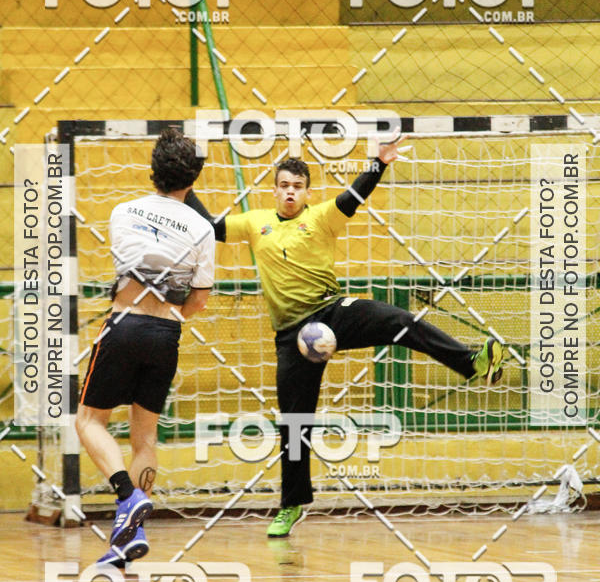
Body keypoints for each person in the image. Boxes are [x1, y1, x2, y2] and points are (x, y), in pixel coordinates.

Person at [185, 134, 505, 537]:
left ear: (306, 193)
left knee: (396, 320)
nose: (290, 192)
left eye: (297, 187)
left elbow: (352, 197)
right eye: (284, 185)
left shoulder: (319, 217)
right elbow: (212, 228)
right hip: (291, 337)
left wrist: (379, 162)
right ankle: (292, 505)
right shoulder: (254, 223)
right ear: (274, 189)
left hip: (332, 312)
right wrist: (185, 187)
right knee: (294, 424)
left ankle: (471, 363)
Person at [76, 127, 215, 565]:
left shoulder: (123, 211)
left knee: (88, 422)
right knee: (145, 437)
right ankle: (126, 539)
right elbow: (198, 300)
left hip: (125, 325)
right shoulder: (202, 227)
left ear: (153, 170)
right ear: (193, 180)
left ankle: (124, 495)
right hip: (166, 336)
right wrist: (171, 316)